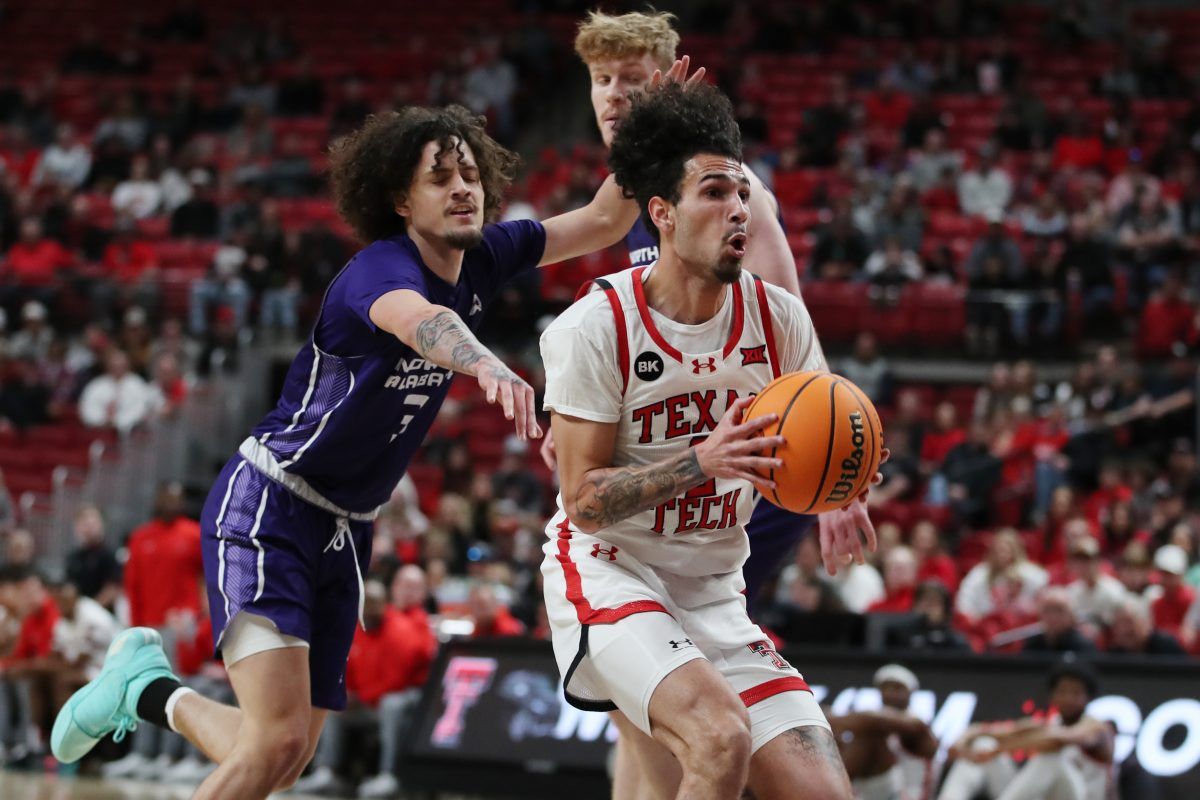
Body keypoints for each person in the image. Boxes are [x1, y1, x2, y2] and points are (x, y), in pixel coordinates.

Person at [53, 103, 638, 800]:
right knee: (273, 742)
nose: (462, 189)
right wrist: (482, 363)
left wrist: (653, 127)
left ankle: (148, 692)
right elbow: (422, 321)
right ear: (399, 199)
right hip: (269, 503)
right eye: (439, 177)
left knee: (290, 751)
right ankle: (146, 690)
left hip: (346, 524)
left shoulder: (486, 255)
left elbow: (605, 219)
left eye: (471, 174)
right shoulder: (377, 270)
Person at [540, 81, 855, 800]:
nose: (737, 210)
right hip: (611, 571)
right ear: (662, 213)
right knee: (719, 739)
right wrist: (700, 461)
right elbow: (584, 503)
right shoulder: (594, 328)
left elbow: (815, 436)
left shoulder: (777, 320)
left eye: (741, 193)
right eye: (715, 193)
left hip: (715, 590)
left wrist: (845, 476)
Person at [938, 663, 1114, 800]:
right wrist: (963, 744)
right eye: (1063, 692)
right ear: (1052, 696)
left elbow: (1057, 740)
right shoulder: (1048, 724)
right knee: (984, 744)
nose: (1068, 699)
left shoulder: (1097, 728)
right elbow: (982, 730)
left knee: (1050, 759)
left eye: (1075, 693)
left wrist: (999, 749)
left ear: (1089, 697)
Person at [828, 665, 939, 800]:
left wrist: (832, 720)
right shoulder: (869, 721)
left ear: (910, 692)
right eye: (885, 688)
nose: (890, 693)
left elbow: (875, 720)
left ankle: (829, 787)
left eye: (897, 688)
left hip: (909, 795)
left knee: (870, 732)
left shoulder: (917, 725)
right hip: (875, 791)